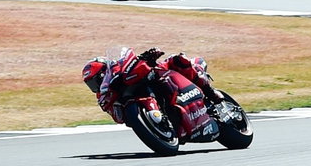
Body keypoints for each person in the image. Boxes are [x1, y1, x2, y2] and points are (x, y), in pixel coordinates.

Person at [81, 47, 218, 121]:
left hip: (158, 74)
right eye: (91, 84)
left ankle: (211, 92)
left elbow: (134, 63)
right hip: (139, 101)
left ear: (105, 72)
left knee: (178, 60)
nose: (96, 86)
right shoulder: (104, 97)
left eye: (97, 80)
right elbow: (119, 118)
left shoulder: (119, 70)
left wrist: (148, 56)